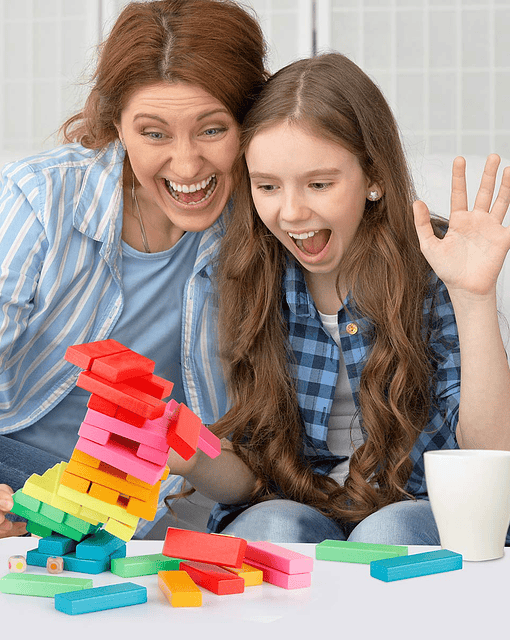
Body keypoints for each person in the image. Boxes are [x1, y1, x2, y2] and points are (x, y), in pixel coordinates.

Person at [0, 0, 267, 545]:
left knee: (104, 526)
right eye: (153, 134)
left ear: (250, 123)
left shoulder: (267, 225)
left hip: (115, 495)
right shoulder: (45, 195)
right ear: (117, 126)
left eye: (212, 129)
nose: (186, 164)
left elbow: (251, 455)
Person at [168, 52, 510, 544]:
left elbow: (487, 453)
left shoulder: (437, 266)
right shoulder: (243, 276)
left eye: (320, 184)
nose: (290, 212)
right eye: (267, 186)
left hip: (415, 510)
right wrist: (196, 456)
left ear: (373, 177)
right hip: (295, 509)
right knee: (271, 526)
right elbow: (247, 479)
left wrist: (474, 298)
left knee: (385, 533)